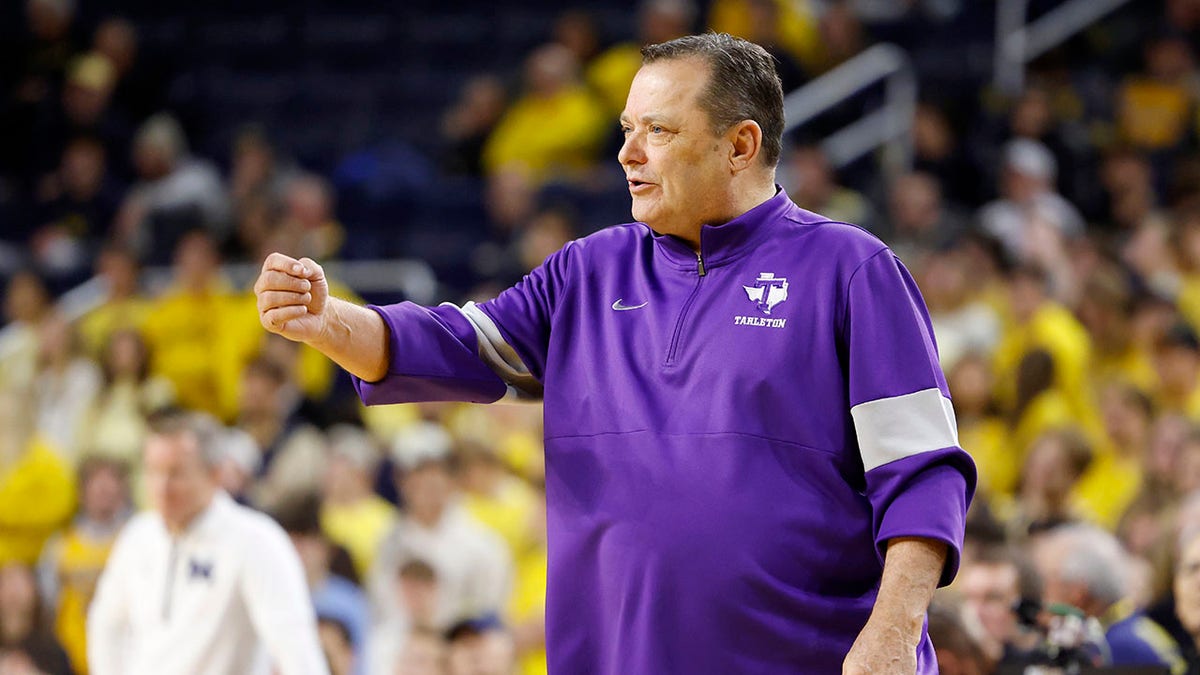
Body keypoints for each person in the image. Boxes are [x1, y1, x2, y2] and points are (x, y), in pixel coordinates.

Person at [255, 33, 975, 673]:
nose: (627, 154)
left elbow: (922, 474)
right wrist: (325, 321)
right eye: (628, 129)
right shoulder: (585, 271)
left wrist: (893, 633)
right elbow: (451, 344)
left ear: (741, 145)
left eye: (657, 131)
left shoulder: (852, 268)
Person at [86, 408, 327, 675]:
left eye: (176, 473)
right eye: (153, 472)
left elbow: (296, 648)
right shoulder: (137, 536)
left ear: (215, 473)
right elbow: (106, 626)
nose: (162, 487)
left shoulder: (256, 541)